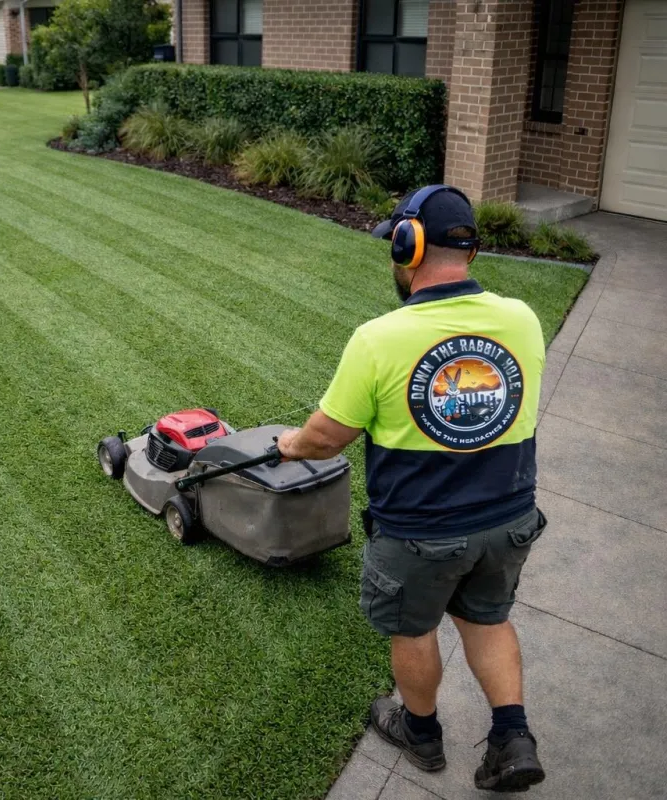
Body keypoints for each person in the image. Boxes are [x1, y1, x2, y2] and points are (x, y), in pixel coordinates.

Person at [276, 185, 547, 793]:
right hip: (509, 519)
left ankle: (421, 735)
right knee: (487, 619)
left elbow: (325, 439)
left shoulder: (379, 338)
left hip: (422, 530)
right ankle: (512, 736)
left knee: (414, 628)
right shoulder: (523, 320)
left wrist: (288, 443)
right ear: (470, 249)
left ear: (408, 245)